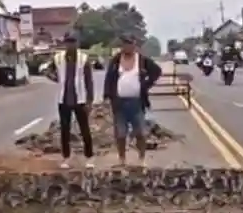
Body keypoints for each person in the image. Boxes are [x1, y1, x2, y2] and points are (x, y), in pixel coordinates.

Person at [103, 35, 163, 167]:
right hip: (119, 103)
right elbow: (109, 79)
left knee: (140, 133)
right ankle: (122, 159)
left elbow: (157, 71)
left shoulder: (141, 60)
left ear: (134, 45)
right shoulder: (116, 60)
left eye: (130, 44)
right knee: (121, 134)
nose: (127, 47)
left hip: (137, 103)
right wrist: (108, 96)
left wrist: (146, 84)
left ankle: (141, 159)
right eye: (125, 44)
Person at [49, 33, 95, 169]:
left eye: (73, 42)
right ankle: (66, 157)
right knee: (64, 129)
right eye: (68, 42)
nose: (70, 45)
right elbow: (48, 70)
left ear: (77, 43)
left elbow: (89, 81)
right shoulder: (58, 58)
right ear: (65, 44)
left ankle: (89, 156)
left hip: (79, 99)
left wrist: (89, 100)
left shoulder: (83, 59)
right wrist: (54, 78)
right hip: (63, 99)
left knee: (84, 129)